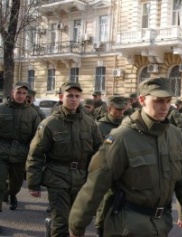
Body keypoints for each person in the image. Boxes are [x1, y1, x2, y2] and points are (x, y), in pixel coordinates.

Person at [68, 78, 182, 237]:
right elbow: (96, 184)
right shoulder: (122, 137)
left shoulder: (174, 134)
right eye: (158, 101)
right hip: (128, 225)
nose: (165, 107)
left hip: (162, 223)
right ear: (142, 100)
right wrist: (77, 225)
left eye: (168, 101)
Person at [26, 81, 103, 237]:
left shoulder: (89, 124)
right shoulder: (50, 124)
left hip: (82, 178)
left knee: (77, 223)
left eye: (77, 96)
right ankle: (55, 226)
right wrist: (33, 184)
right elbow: (36, 154)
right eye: (70, 96)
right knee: (62, 224)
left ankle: (51, 224)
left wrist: (97, 179)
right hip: (57, 177)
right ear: (61, 97)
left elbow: (99, 152)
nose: (74, 99)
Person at [0, 82, 40, 212]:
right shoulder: (2, 109)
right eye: (18, 92)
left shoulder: (32, 113)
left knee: (16, 185)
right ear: (12, 93)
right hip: (1, 151)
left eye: (24, 93)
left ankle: (11, 194)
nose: (21, 96)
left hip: (21, 154)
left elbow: (37, 136)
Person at [94, 95, 126, 236]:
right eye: (117, 110)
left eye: (122, 110)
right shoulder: (100, 126)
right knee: (105, 202)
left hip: (123, 172)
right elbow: (94, 149)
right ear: (109, 109)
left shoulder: (125, 124)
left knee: (121, 204)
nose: (120, 113)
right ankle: (100, 229)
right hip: (105, 170)